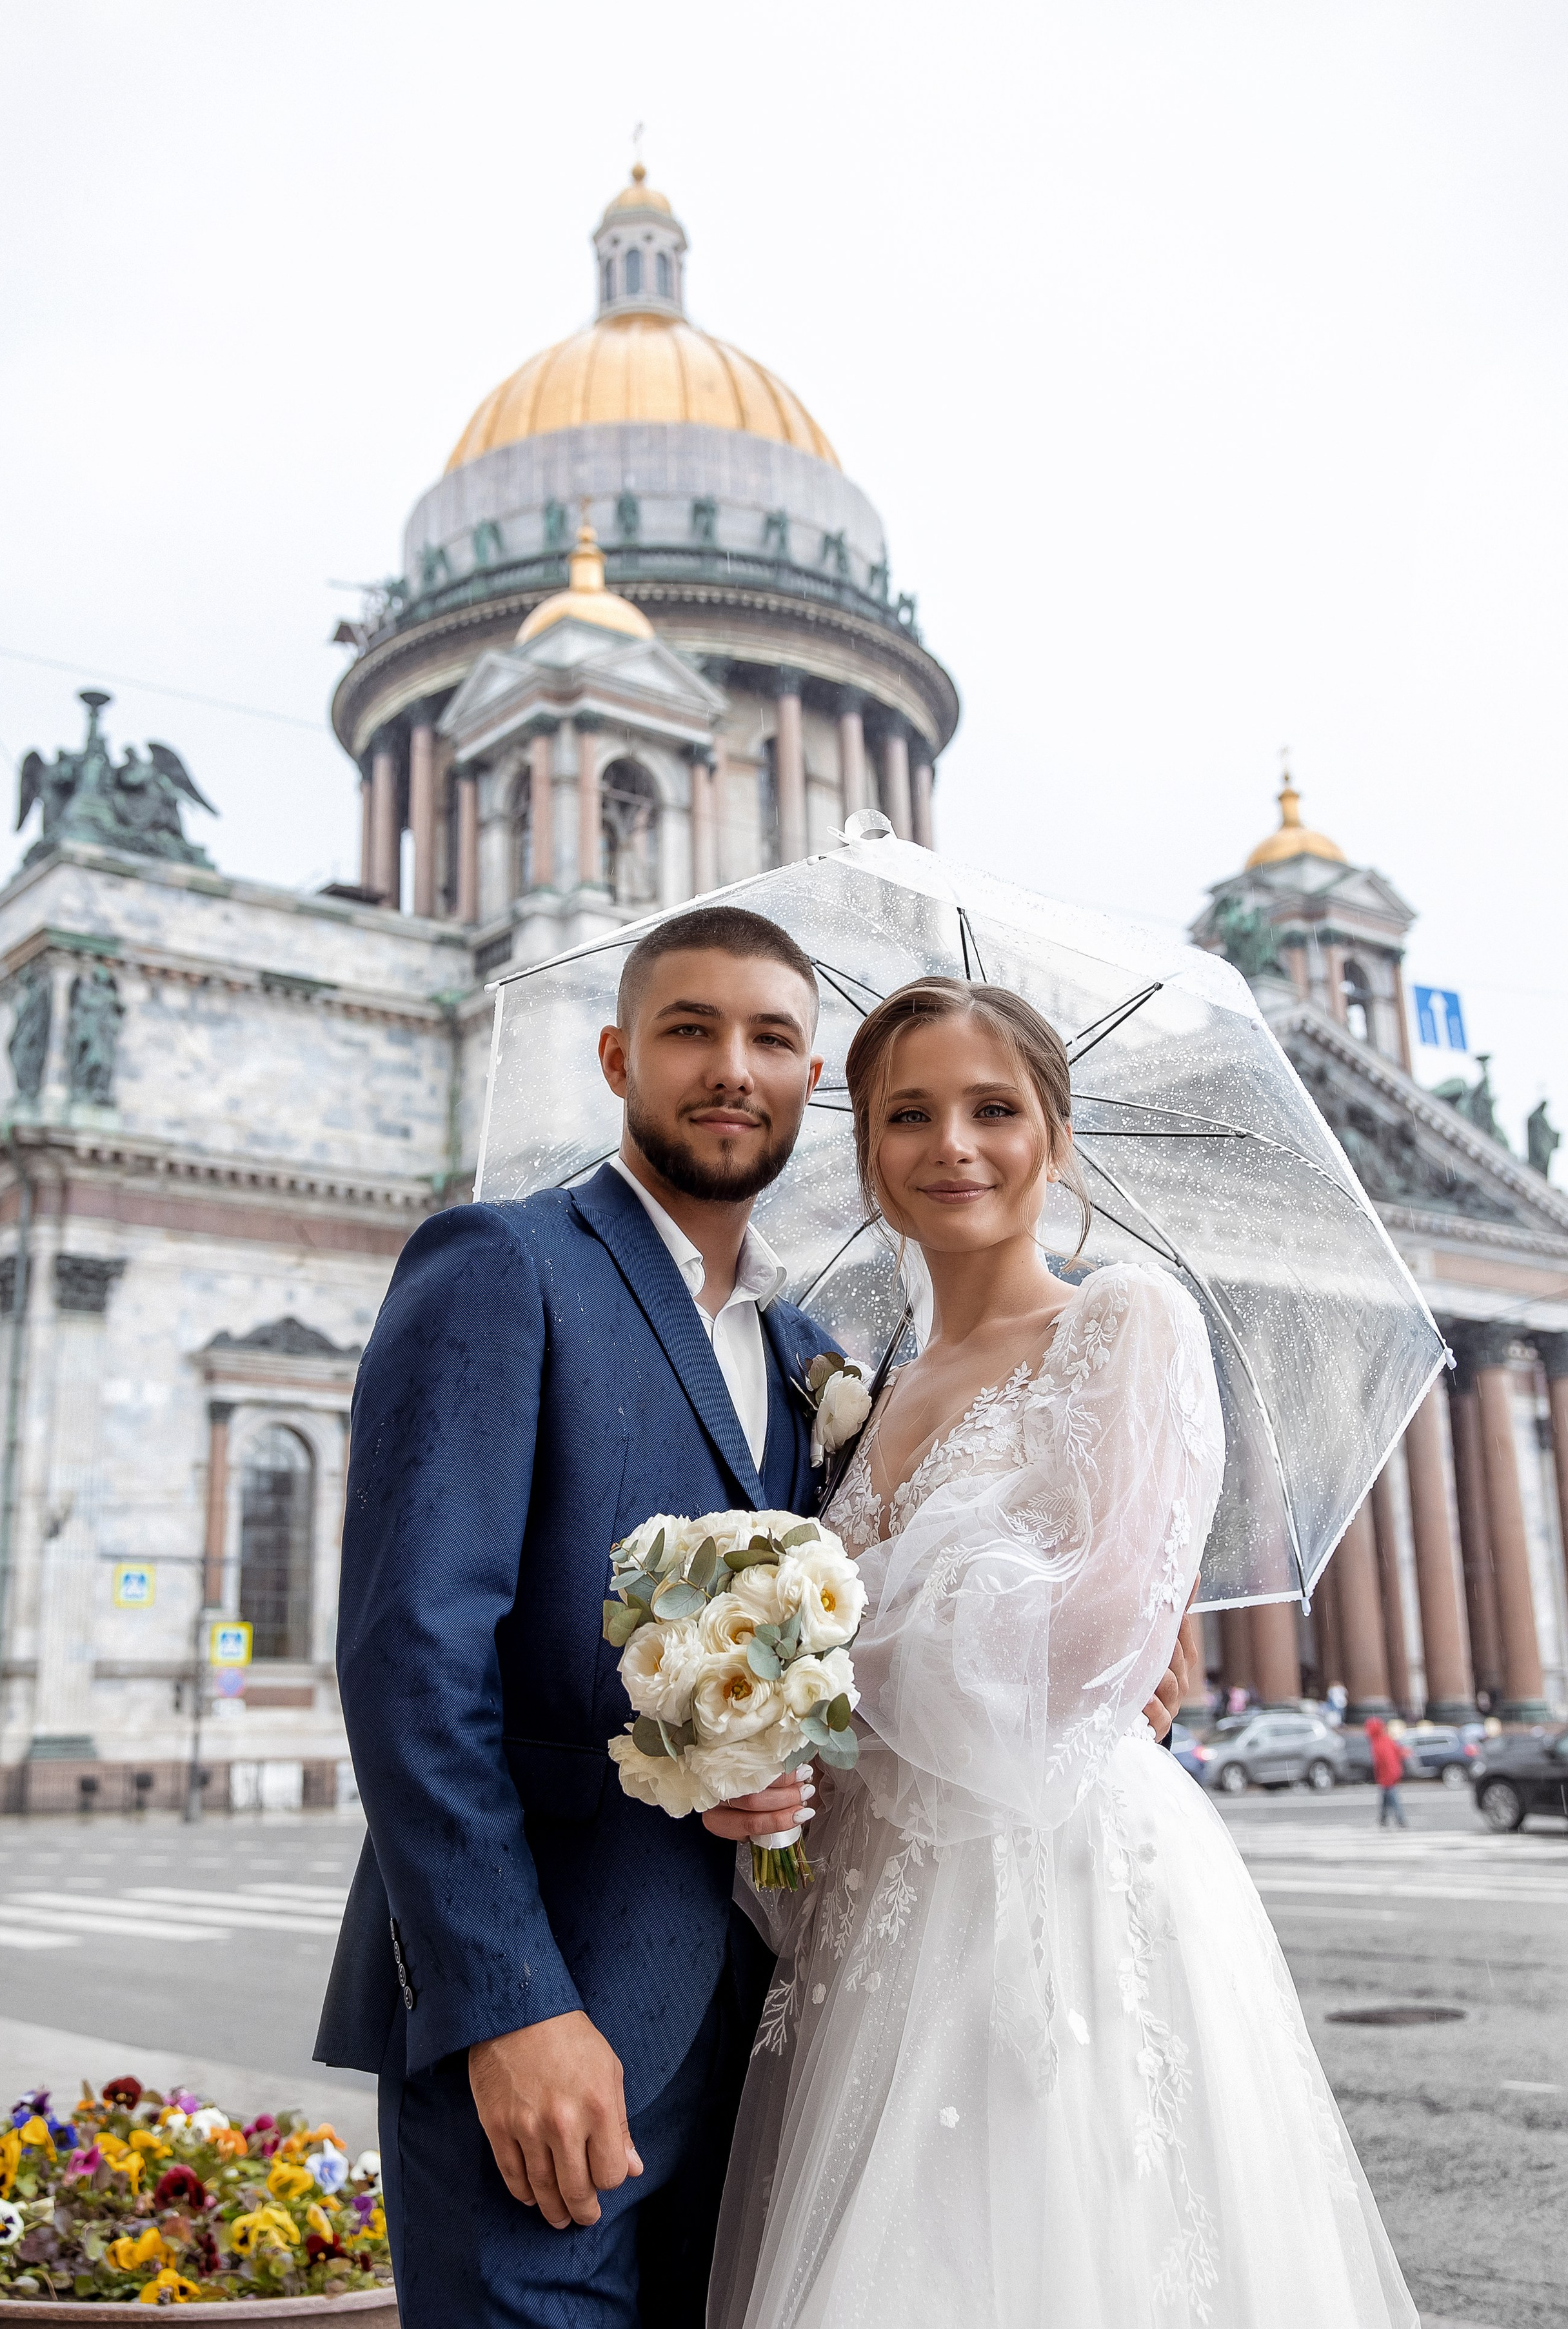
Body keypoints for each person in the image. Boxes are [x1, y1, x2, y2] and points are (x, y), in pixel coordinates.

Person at [315, 912, 1193, 2329]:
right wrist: (505, 2006)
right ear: (616, 1057)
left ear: (807, 1090)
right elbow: (410, 1662)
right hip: (551, 2031)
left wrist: (1113, 1629)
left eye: (773, 1039)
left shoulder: (816, 1366)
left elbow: (851, 1630)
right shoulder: (501, 1266)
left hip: (773, 2037)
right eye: (689, 1030)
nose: (733, 1069)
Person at [711, 977, 1417, 2329]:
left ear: (1054, 1131)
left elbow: (1096, 1635)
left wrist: (820, 1654)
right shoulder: (858, 1388)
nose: (951, 1147)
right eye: (906, 1115)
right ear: (866, 1149)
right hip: (874, 1896)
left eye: (992, 1108)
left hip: (1055, 1875)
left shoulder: (1120, 1318)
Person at [1366, 1715, 1408, 1829]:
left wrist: (1389, 1776)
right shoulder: (1384, 1740)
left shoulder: (1380, 1742)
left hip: (1388, 1776)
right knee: (1385, 1798)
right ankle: (1383, 1820)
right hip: (1389, 1775)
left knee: (1392, 1799)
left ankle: (1400, 1820)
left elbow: (1386, 1761)